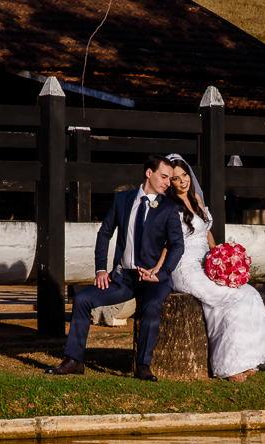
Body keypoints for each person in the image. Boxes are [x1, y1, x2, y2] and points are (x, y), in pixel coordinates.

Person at [149, 154, 265, 381]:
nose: (182, 182)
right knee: (231, 299)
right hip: (185, 269)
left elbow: (205, 230)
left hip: (208, 263)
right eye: (175, 179)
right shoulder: (168, 206)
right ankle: (229, 364)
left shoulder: (196, 198)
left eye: (184, 175)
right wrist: (158, 268)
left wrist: (220, 256)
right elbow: (167, 244)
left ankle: (252, 356)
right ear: (170, 182)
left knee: (250, 293)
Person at [47, 154, 184, 381]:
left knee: (151, 305)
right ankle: (74, 360)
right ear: (149, 173)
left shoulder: (169, 207)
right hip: (123, 279)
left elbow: (177, 245)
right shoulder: (122, 199)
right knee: (82, 300)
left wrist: (160, 274)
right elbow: (105, 233)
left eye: (170, 178)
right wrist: (101, 269)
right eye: (164, 176)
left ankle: (142, 365)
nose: (168, 182)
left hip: (153, 280)